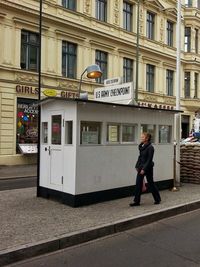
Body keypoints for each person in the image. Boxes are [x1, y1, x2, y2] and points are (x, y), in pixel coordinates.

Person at [130, 132, 161, 207]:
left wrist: (144, 169)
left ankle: (157, 199)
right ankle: (136, 201)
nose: (141, 138)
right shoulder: (142, 146)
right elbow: (140, 157)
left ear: (147, 138)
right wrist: (137, 166)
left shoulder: (150, 148)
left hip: (148, 168)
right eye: (141, 137)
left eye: (143, 137)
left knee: (150, 183)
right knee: (138, 184)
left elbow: (149, 160)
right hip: (141, 167)